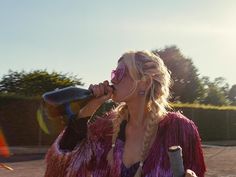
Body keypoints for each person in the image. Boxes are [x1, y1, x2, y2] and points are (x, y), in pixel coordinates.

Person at [44, 51, 206, 177]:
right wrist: (92, 104)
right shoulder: (104, 129)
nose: (113, 79)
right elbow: (62, 164)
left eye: (120, 73)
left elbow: (196, 170)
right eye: (113, 73)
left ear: (145, 83)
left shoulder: (179, 129)